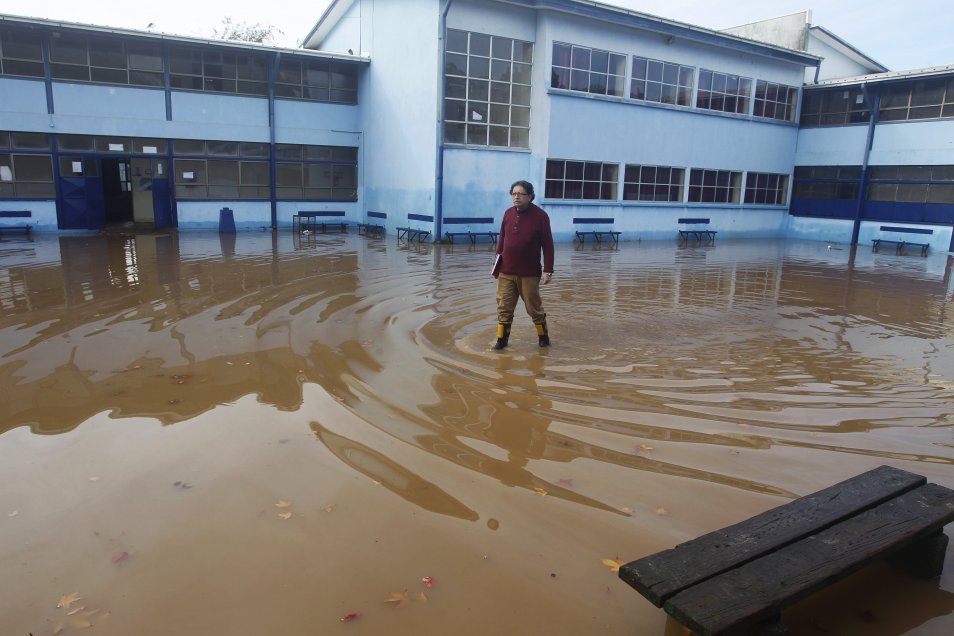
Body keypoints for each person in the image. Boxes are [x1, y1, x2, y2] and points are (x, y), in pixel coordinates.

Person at [492, 180, 554, 350]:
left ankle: (543, 339)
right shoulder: (508, 214)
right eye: (514, 193)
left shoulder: (541, 217)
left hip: (529, 273)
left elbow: (548, 246)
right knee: (504, 307)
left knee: (534, 309)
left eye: (521, 194)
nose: (516, 197)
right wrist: (496, 266)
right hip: (506, 271)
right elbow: (502, 241)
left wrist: (548, 270)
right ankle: (501, 342)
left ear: (530, 196)